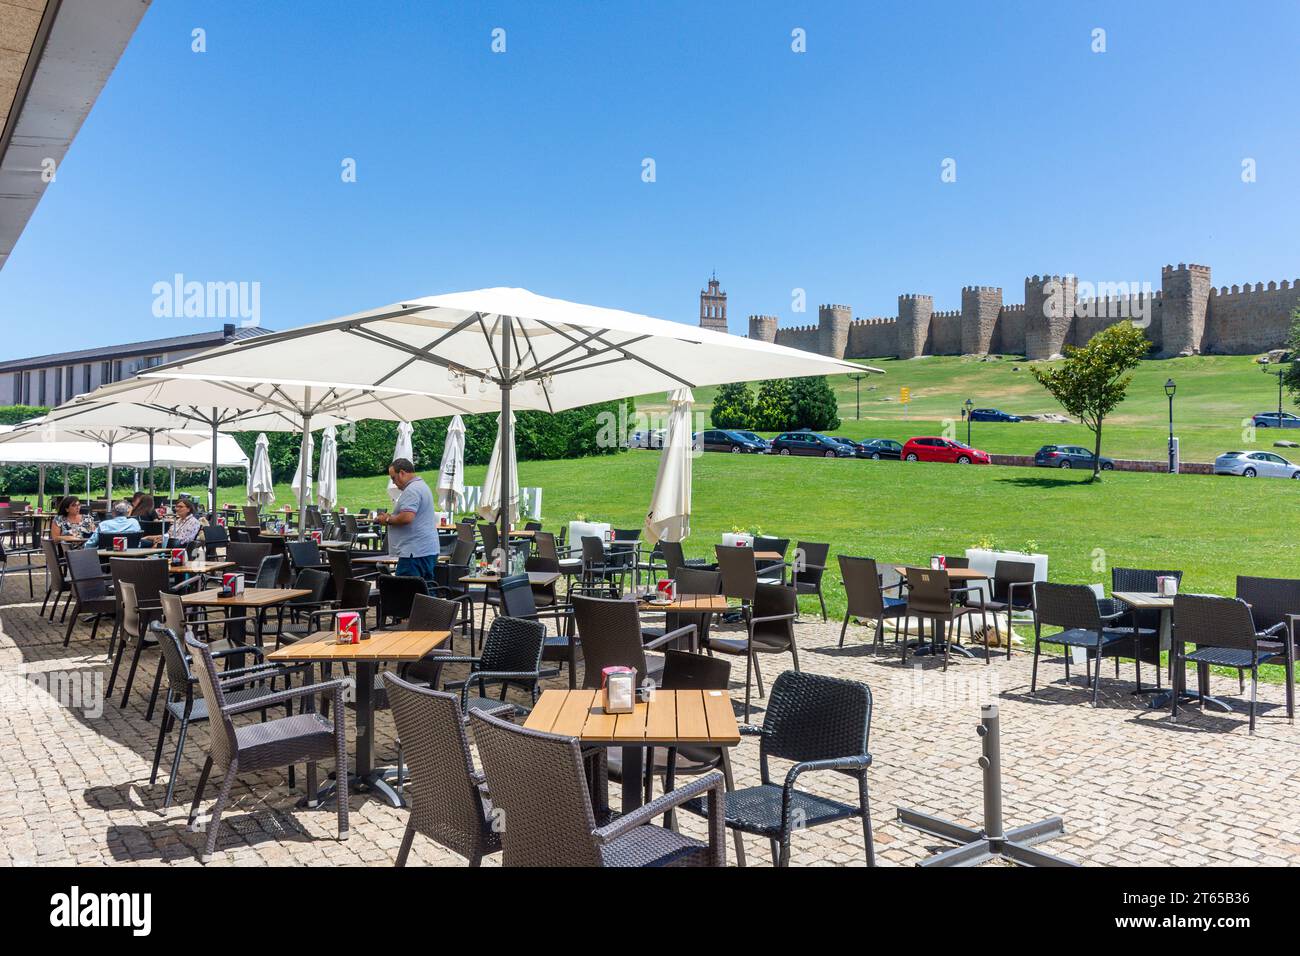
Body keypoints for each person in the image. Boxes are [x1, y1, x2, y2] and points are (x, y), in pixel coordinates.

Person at [374, 458, 439, 586]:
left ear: (402, 473)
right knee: (426, 593)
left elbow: (407, 517)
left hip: (414, 552)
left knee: (405, 593)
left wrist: (386, 519)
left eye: (393, 478)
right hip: (425, 549)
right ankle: (433, 607)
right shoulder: (421, 486)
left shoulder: (412, 490)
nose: (394, 483)